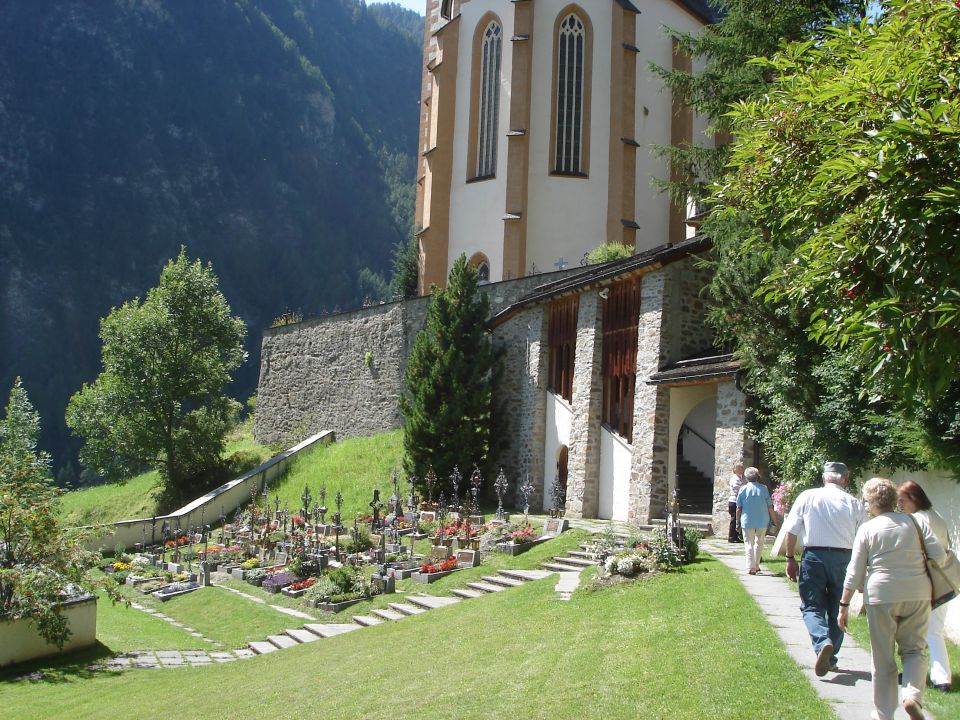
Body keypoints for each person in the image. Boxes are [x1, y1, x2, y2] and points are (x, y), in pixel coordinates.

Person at [839, 478, 945, 720]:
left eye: (866, 501)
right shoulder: (916, 523)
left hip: (882, 595)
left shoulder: (868, 528)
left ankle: (884, 713)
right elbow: (939, 555)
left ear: (873, 503)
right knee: (915, 650)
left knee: (883, 658)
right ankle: (912, 696)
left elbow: (854, 572)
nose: (865, 506)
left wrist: (843, 605)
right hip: (918, 593)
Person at [783, 460, 864, 676]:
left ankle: (821, 644)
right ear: (845, 480)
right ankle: (832, 656)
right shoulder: (854, 503)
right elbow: (864, 539)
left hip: (814, 556)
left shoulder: (808, 496)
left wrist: (790, 558)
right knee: (839, 607)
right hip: (844, 559)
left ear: (823, 478)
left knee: (811, 605)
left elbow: (791, 531)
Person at [898, 480, 953, 692]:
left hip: (923, 580)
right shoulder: (935, 516)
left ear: (914, 499)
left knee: (916, 631)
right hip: (942, 580)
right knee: (933, 631)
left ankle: (926, 676)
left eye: (902, 500)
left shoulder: (917, 520)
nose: (899, 505)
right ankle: (939, 677)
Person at [736, 466, 776, 574]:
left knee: (749, 543)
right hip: (762, 520)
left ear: (746, 477)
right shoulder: (763, 488)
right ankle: (757, 565)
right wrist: (774, 520)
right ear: (757, 477)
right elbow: (770, 506)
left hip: (747, 520)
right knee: (759, 543)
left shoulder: (743, 489)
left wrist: (737, 521)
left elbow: (739, 508)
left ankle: (750, 567)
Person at [727, 462, 744, 543]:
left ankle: (736, 536)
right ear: (736, 469)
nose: (742, 470)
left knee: (737, 519)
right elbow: (737, 489)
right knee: (734, 519)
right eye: (740, 468)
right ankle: (731, 537)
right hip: (734, 501)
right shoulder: (735, 478)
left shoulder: (739, 478)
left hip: (737, 500)